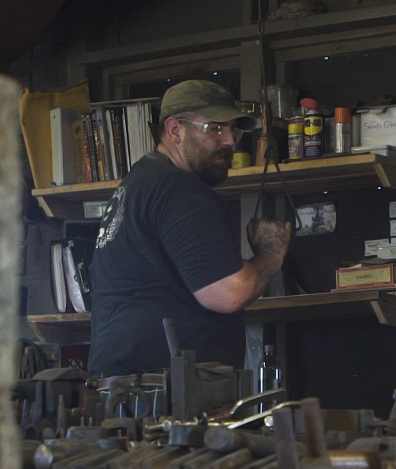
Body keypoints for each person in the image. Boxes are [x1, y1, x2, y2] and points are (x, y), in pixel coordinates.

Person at [88, 80, 292, 376]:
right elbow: (229, 293)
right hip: (166, 388)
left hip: (127, 380)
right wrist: (271, 252)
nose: (230, 141)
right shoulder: (180, 190)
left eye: (232, 129)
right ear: (175, 130)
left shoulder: (139, 183)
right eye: (215, 129)